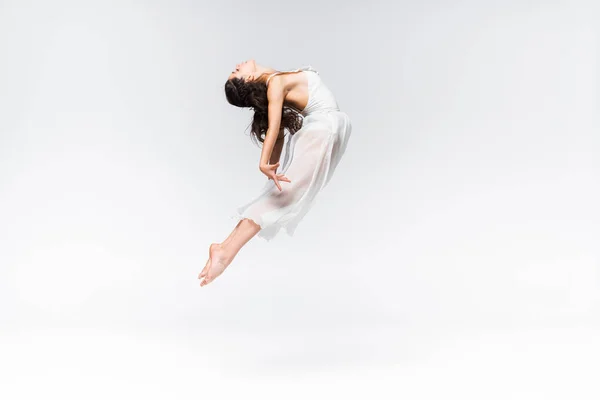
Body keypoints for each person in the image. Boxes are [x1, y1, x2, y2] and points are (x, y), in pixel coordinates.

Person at [198, 59, 352, 287]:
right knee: (281, 197)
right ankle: (224, 251)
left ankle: (224, 249)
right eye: (235, 72)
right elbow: (274, 126)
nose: (236, 66)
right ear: (248, 78)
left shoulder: (274, 81)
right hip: (323, 129)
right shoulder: (276, 83)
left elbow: (277, 131)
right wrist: (264, 163)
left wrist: (274, 164)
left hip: (328, 128)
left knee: (283, 195)